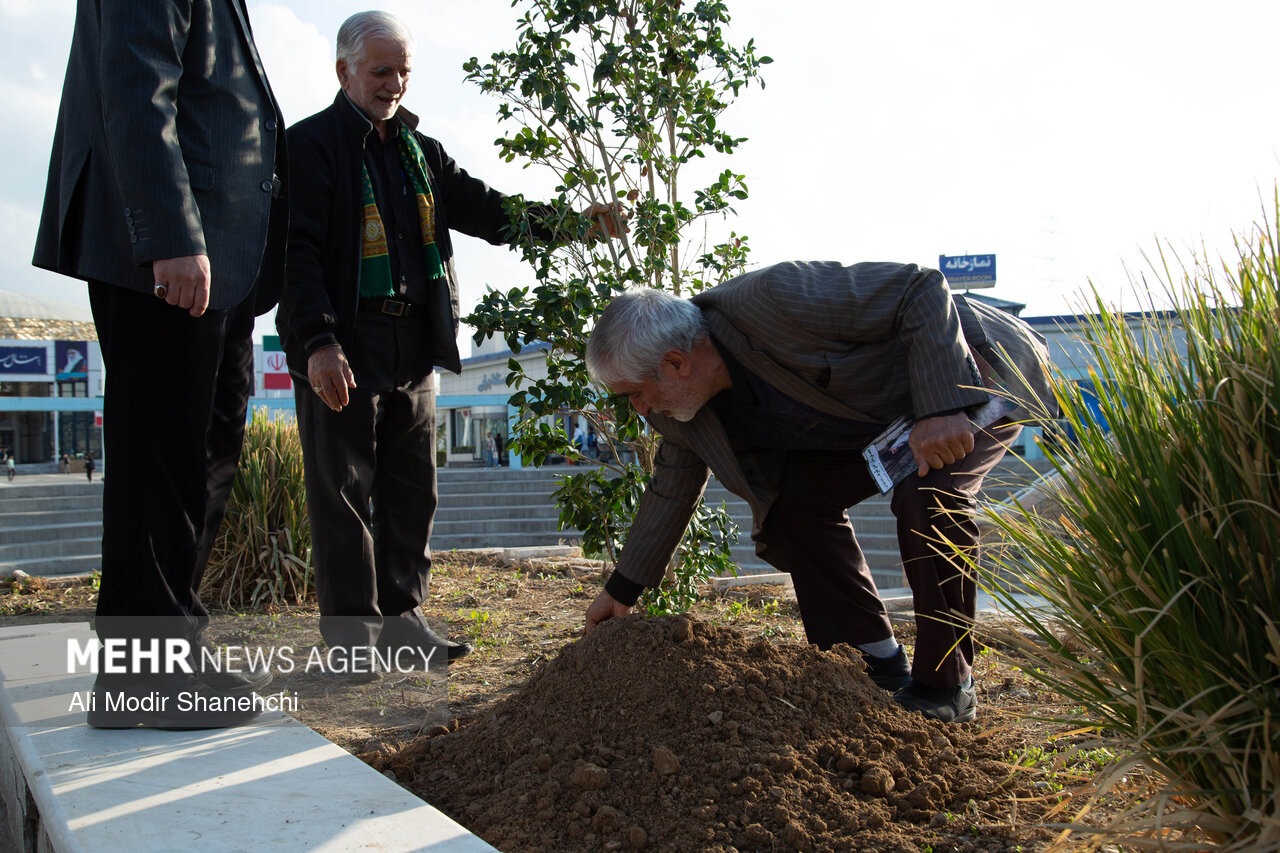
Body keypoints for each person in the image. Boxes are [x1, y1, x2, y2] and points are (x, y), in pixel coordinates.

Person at [276, 11, 623, 675]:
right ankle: (352, 644)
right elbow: (298, 253)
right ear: (344, 71)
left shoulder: (421, 151)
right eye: (382, 71)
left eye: (404, 71)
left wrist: (578, 225)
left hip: (414, 340)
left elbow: (491, 213)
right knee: (343, 493)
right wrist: (318, 341)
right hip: (344, 343)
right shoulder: (310, 147)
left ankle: (405, 623)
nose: (396, 83)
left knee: (414, 489)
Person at [582, 261, 1055, 723]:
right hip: (879, 420)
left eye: (633, 394)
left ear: (676, 363)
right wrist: (622, 590)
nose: (638, 409)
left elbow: (921, 289)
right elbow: (670, 488)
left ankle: (947, 686)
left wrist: (942, 408)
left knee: (927, 496)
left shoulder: (775, 299)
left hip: (974, 365)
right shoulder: (681, 411)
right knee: (791, 504)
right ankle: (869, 665)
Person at [33, 0, 288, 728]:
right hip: (174, 245)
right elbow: (136, 78)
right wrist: (172, 235)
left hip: (218, 249)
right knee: (163, 458)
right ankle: (153, 669)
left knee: (198, 453)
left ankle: (141, 668)